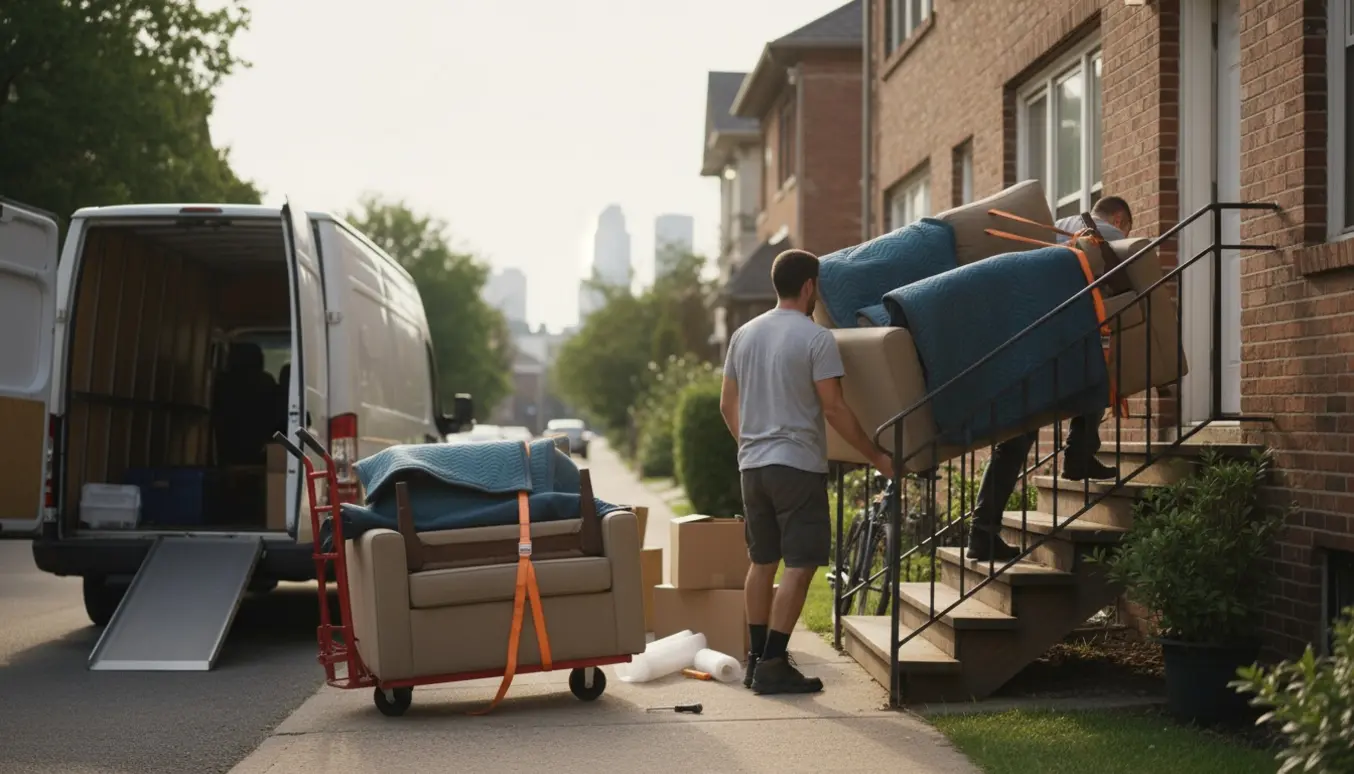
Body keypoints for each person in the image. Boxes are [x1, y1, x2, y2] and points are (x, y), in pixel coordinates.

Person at [718, 249, 894, 696]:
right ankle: (774, 661)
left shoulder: (744, 334)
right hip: (795, 467)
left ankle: (758, 658)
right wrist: (877, 456)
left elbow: (726, 405)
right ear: (810, 286)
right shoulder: (816, 338)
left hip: (752, 466)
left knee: (762, 562)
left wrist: (752, 445)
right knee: (801, 563)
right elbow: (834, 409)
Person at [967, 196, 1134, 562]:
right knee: (1091, 378)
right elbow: (1125, 288)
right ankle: (1076, 457)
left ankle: (983, 532)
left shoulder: (1062, 227)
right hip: (1046, 343)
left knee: (1019, 435)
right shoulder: (1106, 235)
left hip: (1021, 337)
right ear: (1119, 220)